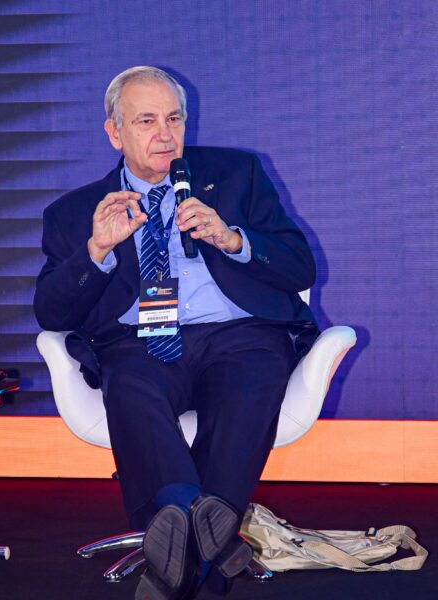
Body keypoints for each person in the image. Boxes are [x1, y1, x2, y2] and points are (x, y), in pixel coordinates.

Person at [34, 66, 318, 600]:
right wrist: (96, 251)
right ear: (115, 133)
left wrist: (233, 239)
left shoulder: (236, 175)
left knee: (254, 374)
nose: (165, 134)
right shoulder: (74, 213)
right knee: (128, 382)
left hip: (238, 334)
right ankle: (209, 540)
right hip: (138, 344)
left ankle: (178, 537)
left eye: (174, 119)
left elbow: (299, 266)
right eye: (147, 121)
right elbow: (51, 311)